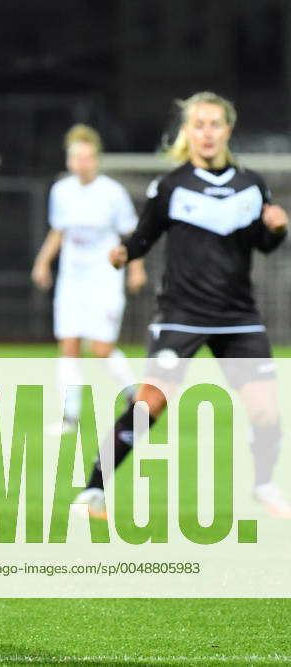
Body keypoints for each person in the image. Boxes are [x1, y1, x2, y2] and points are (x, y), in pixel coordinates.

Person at [73, 91, 291, 519]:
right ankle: (94, 490)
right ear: (187, 132)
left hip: (237, 317)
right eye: (198, 125)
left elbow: (263, 245)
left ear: (228, 129)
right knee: (151, 401)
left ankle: (265, 486)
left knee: (266, 409)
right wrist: (125, 253)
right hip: (182, 314)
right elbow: (144, 235)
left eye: (214, 124)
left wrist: (278, 230)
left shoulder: (250, 185)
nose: (206, 133)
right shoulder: (171, 185)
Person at [32, 124, 147, 433]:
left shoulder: (112, 192)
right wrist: (43, 262)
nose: (81, 163)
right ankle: (70, 416)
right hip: (72, 280)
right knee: (68, 344)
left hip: (104, 279)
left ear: (95, 159)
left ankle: (135, 395)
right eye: (76, 158)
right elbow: (59, 231)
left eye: (87, 157)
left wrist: (136, 268)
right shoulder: (62, 191)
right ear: (69, 160)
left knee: (100, 348)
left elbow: (131, 234)